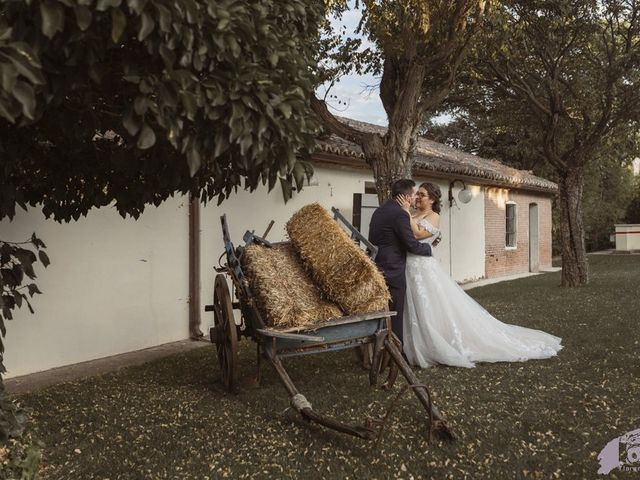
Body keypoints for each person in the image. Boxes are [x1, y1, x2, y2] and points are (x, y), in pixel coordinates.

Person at [398, 182, 563, 368]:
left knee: (430, 305)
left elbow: (418, 234)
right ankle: (416, 342)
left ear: (433, 199)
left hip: (423, 267)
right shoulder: (414, 214)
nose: (418, 197)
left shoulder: (433, 216)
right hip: (409, 266)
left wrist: (404, 212)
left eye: (422, 194)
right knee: (417, 306)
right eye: (417, 194)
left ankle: (437, 343)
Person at [368, 179, 433, 343]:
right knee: (395, 315)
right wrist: (429, 249)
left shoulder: (379, 211)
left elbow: (373, 238)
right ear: (406, 197)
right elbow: (411, 245)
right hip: (394, 269)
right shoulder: (400, 214)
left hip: (378, 266)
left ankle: (381, 348)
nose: (414, 199)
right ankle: (395, 352)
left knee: (382, 313)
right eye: (413, 195)